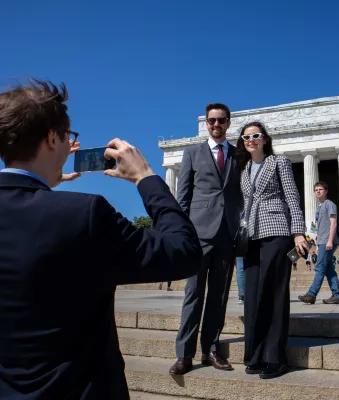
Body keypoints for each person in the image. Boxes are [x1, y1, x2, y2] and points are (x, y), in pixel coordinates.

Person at [0, 80, 202, 399]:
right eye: (69, 138)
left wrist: (46, 183)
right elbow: (184, 252)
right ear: (53, 138)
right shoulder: (85, 214)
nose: (70, 148)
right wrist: (146, 177)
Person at [170, 103, 241, 375]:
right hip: (198, 234)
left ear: (228, 123)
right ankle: (184, 354)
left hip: (227, 234)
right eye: (211, 120)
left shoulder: (237, 155)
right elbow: (183, 196)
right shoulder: (192, 153)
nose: (216, 125)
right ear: (206, 124)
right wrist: (182, 231)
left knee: (218, 297)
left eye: (221, 120)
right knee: (193, 295)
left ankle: (211, 349)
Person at [236, 121, 307, 379]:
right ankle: (255, 355)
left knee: (274, 293)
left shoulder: (279, 162)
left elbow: (292, 196)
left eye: (255, 135)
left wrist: (297, 231)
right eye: (246, 137)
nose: (251, 140)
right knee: (253, 296)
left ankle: (275, 358)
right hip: (251, 236)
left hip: (276, 230)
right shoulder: (243, 169)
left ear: (265, 139)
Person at [299, 181, 339, 304]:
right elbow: (320, 227)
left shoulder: (330, 204)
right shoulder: (319, 207)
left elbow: (333, 223)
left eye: (320, 189)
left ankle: (311, 294)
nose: (318, 191)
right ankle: (337, 295)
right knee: (329, 269)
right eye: (316, 190)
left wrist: (329, 241)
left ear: (326, 191)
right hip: (322, 241)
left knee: (319, 267)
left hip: (328, 241)